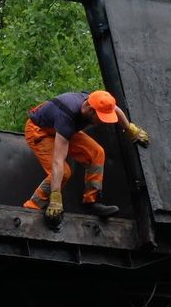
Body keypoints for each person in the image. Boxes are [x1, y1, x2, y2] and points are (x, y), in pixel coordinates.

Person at [23, 90, 149, 226]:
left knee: (97, 152)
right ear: (90, 110)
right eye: (100, 117)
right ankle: (33, 206)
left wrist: (130, 129)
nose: (102, 122)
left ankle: (91, 202)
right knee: (64, 173)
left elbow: (115, 109)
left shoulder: (96, 100)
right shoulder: (67, 115)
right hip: (39, 131)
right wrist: (55, 197)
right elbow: (58, 161)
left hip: (58, 127)